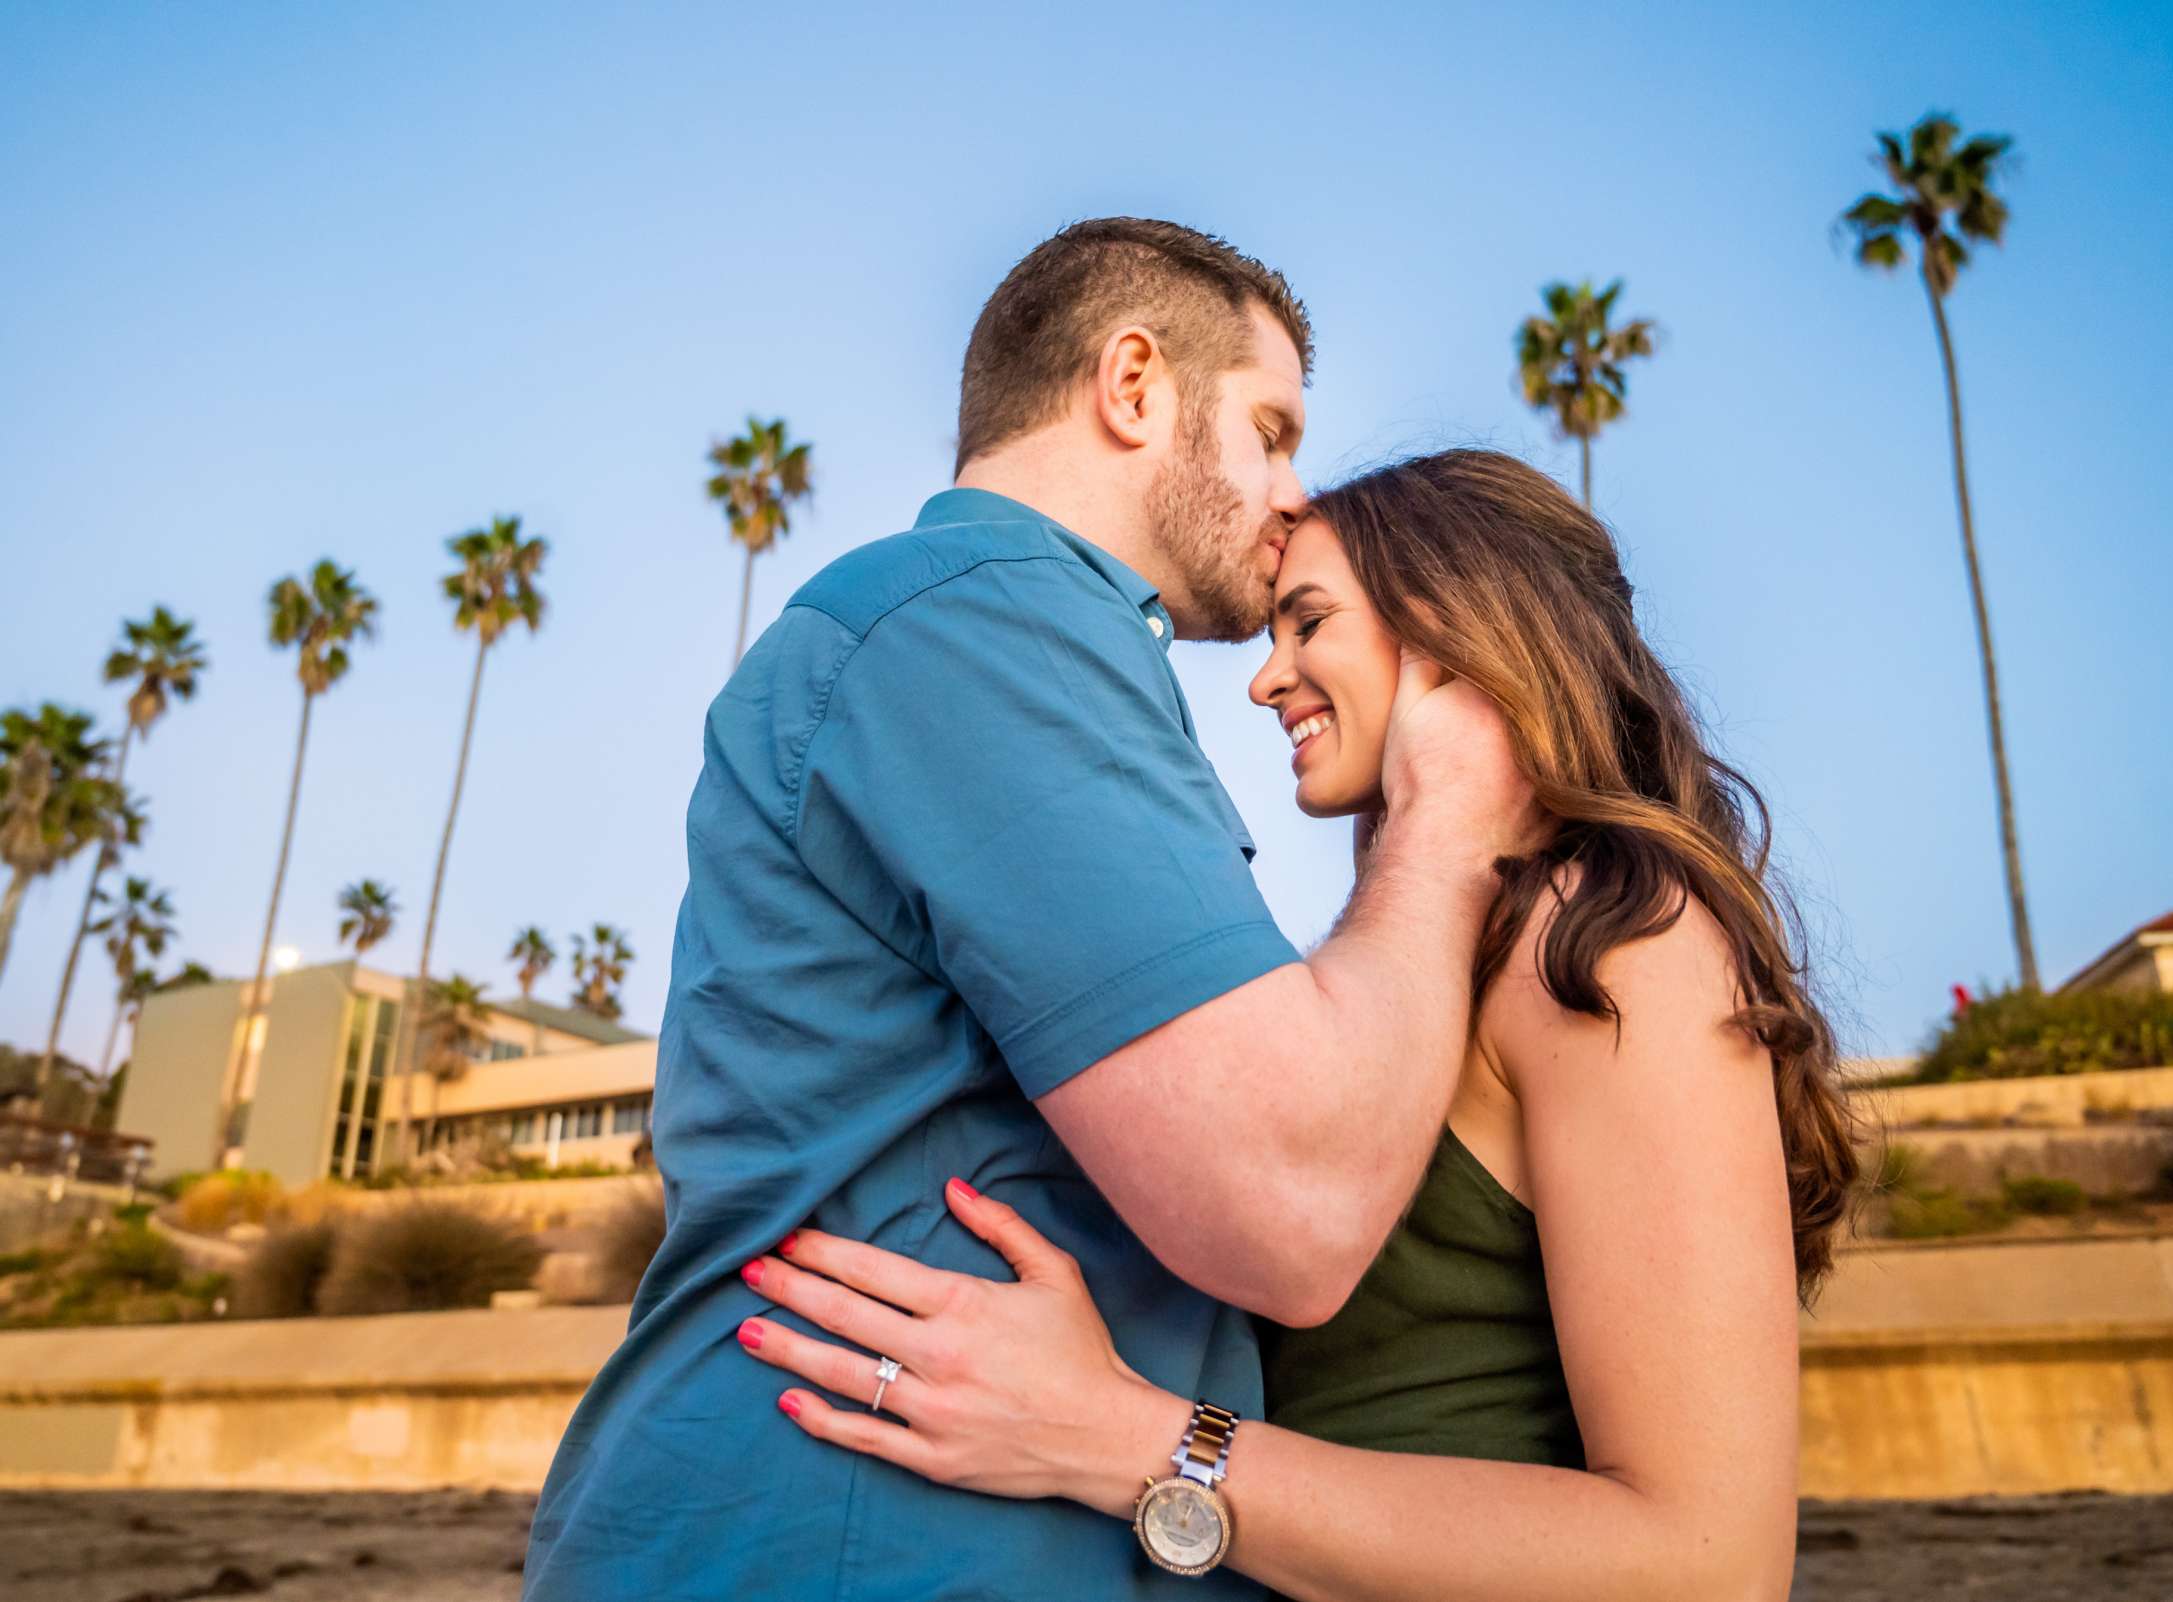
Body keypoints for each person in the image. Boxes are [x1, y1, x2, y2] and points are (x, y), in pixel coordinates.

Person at [521, 222, 1538, 1600]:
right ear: (1133, 385)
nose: (1294, 495)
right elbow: (1290, 1207)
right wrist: (1449, 814)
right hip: (850, 1548)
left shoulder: (986, 635)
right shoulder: (984, 622)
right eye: (1271, 429)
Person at [730, 449, 1862, 1602]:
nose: (1268, 681)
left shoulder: (1616, 939)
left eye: (1308, 622)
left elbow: (1707, 1566)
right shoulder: (1427, 958)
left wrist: (1121, 1439)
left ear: (1454, 628)